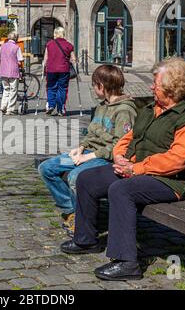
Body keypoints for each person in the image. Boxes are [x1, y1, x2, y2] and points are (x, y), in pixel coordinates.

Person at [60, 57, 185, 281]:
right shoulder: (152, 109)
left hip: (170, 182)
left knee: (121, 190)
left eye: (155, 83)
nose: (151, 86)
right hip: (138, 170)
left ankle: (127, 262)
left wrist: (136, 168)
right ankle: (85, 239)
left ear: (171, 88)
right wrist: (120, 157)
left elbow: (177, 160)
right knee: (87, 179)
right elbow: (129, 137)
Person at [38, 65, 137, 236]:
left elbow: (121, 146)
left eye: (94, 85)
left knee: (76, 177)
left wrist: (89, 156)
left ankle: (82, 221)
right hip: (88, 152)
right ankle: (71, 210)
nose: (93, 88)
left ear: (101, 86)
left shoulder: (124, 111)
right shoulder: (102, 106)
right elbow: (90, 132)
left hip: (104, 159)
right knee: (46, 168)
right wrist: (81, 147)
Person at [42, 27, 76, 116]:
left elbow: (46, 58)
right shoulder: (69, 45)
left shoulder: (49, 44)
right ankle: (60, 109)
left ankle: (51, 105)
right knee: (62, 89)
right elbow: (73, 59)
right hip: (64, 70)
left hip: (51, 69)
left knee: (51, 87)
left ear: (55, 34)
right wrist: (74, 62)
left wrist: (43, 67)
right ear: (63, 34)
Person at [0, 31, 24, 115]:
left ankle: (3, 106)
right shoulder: (16, 47)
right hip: (13, 72)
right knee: (13, 90)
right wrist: (22, 70)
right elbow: (20, 60)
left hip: (3, 71)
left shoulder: (2, 46)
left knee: (6, 90)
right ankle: (10, 109)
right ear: (16, 38)